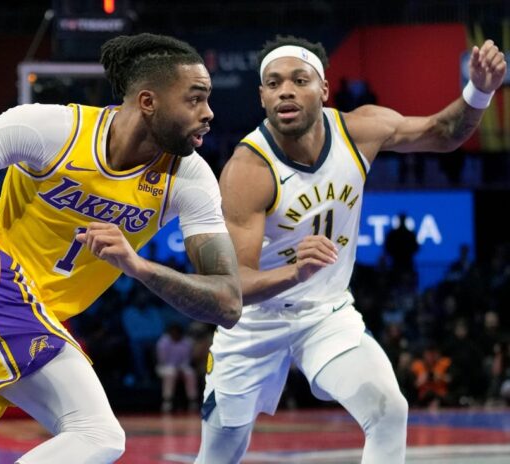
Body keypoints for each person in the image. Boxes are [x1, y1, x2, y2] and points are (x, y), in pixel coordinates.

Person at [0, 33, 242, 464]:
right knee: (98, 434)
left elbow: (228, 301)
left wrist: (138, 266)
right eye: (195, 99)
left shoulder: (190, 179)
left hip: (27, 317)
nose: (208, 113)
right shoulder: (53, 129)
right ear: (148, 101)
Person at [196, 34, 506, 464]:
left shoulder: (359, 129)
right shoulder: (247, 170)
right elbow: (233, 287)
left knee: (389, 411)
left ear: (323, 89)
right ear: (262, 96)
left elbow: (444, 132)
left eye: (299, 80)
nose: (285, 90)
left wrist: (480, 90)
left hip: (326, 315)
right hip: (254, 324)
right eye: (274, 83)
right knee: (220, 454)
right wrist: (295, 273)